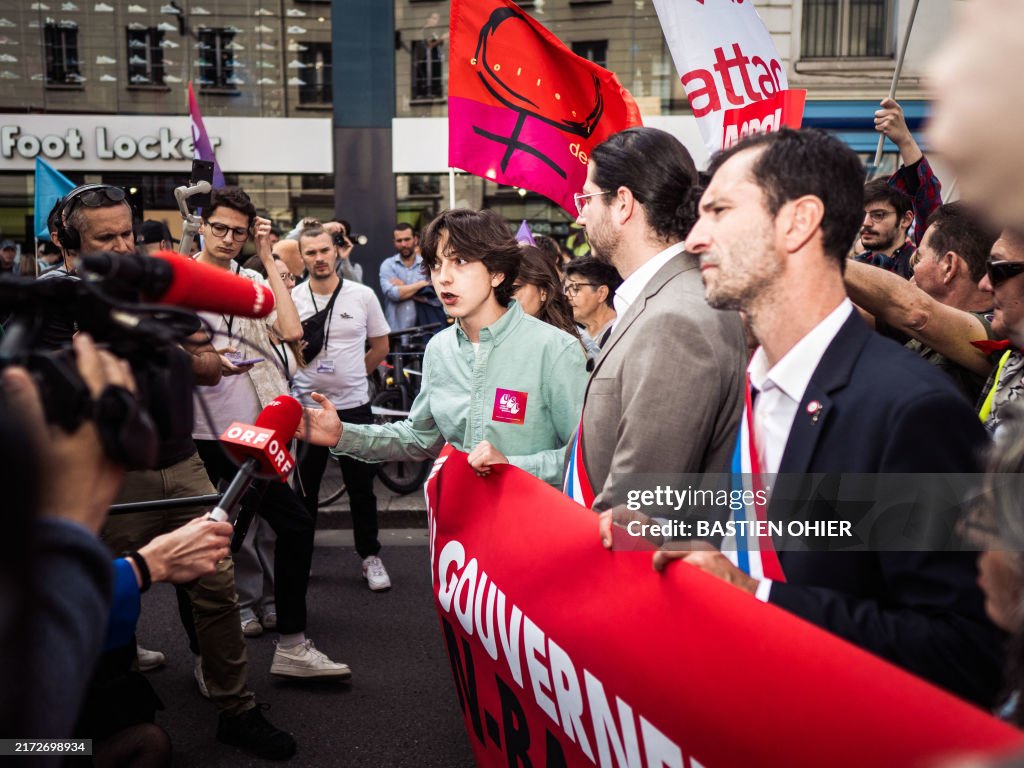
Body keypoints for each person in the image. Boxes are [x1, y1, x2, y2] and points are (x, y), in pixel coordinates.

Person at [619, 127, 1004, 706]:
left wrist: (756, 598)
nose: (696, 239)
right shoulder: (743, 385)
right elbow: (809, 528)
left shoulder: (910, 412)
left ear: (798, 222)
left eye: (719, 211)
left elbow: (966, 653)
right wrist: (666, 528)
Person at [298, 208, 588, 489]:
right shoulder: (439, 348)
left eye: (460, 261)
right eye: (436, 264)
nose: (443, 277)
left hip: (532, 525)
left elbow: (587, 459)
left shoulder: (555, 349)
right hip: (461, 525)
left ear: (497, 273)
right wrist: (342, 434)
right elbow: (420, 437)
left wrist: (512, 466)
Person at [191, 186, 351, 688]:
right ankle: (208, 656)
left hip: (259, 432)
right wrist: (209, 362)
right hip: (205, 434)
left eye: (238, 232)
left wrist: (265, 260)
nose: (228, 239)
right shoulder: (181, 279)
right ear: (202, 225)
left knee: (295, 526)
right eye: (219, 228)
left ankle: (292, 645)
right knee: (217, 545)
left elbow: (290, 331)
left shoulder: (250, 277)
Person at [567, 126, 747, 511]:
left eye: (587, 199)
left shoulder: (676, 320)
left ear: (623, 204)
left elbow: (638, 508)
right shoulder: (661, 297)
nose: (580, 216)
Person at [290, 226, 392, 591]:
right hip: (306, 412)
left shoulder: (362, 296)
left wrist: (353, 376)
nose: (318, 258)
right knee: (305, 491)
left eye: (323, 250)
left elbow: (380, 347)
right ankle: (300, 560)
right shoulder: (292, 298)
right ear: (301, 257)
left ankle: (370, 556)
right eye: (310, 253)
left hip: (354, 407)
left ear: (336, 251)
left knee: (361, 488)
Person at [843, 202, 1000, 403]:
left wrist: (821, 260)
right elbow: (860, 313)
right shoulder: (918, 326)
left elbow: (916, 311)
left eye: (919, 258)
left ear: (949, 266)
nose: (912, 273)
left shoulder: (995, 333)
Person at [512, 244, 582, 344]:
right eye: (502, 290)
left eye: (515, 288)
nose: (508, 297)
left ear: (543, 291)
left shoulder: (563, 344)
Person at [563, 256, 622, 360]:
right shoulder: (575, 338)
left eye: (575, 288)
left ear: (601, 293)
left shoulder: (620, 334)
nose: (567, 295)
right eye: (566, 289)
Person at [380, 223, 431, 332]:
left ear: (415, 239)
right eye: (399, 241)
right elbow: (393, 294)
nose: (403, 244)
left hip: (424, 331)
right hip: (396, 332)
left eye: (407, 239)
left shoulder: (427, 265)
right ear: (394, 242)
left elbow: (432, 297)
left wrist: (403, 287)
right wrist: (421, 284)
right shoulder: (387, 265)